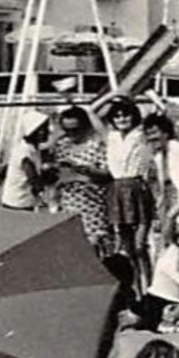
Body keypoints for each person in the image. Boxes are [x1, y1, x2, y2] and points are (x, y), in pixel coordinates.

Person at [134, 188, 179, 332]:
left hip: (177, 305)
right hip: (154, 299)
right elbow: (170, 218)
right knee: (133, 319)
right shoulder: (170, 248)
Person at [103, 98, 154, 294]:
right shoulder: (112, 136)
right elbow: (92, 112)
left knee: (140, 246)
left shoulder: (140, 134)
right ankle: (136, 289)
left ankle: (149, 286)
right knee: (128, 247)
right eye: (117, 115)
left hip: (136, 186)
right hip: (117, 189)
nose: (122, 118)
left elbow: (160, 111)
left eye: (126, 114)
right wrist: (114, 95)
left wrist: (134, 98)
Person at [50, 105, 112, 254]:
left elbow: (108, 175)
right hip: (68, 204)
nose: (71, 134)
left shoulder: (96, 145)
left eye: (75, 129)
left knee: (93, 247)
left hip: (92, 204)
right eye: (67, 130)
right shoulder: (62, 145)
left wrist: (83, 170)